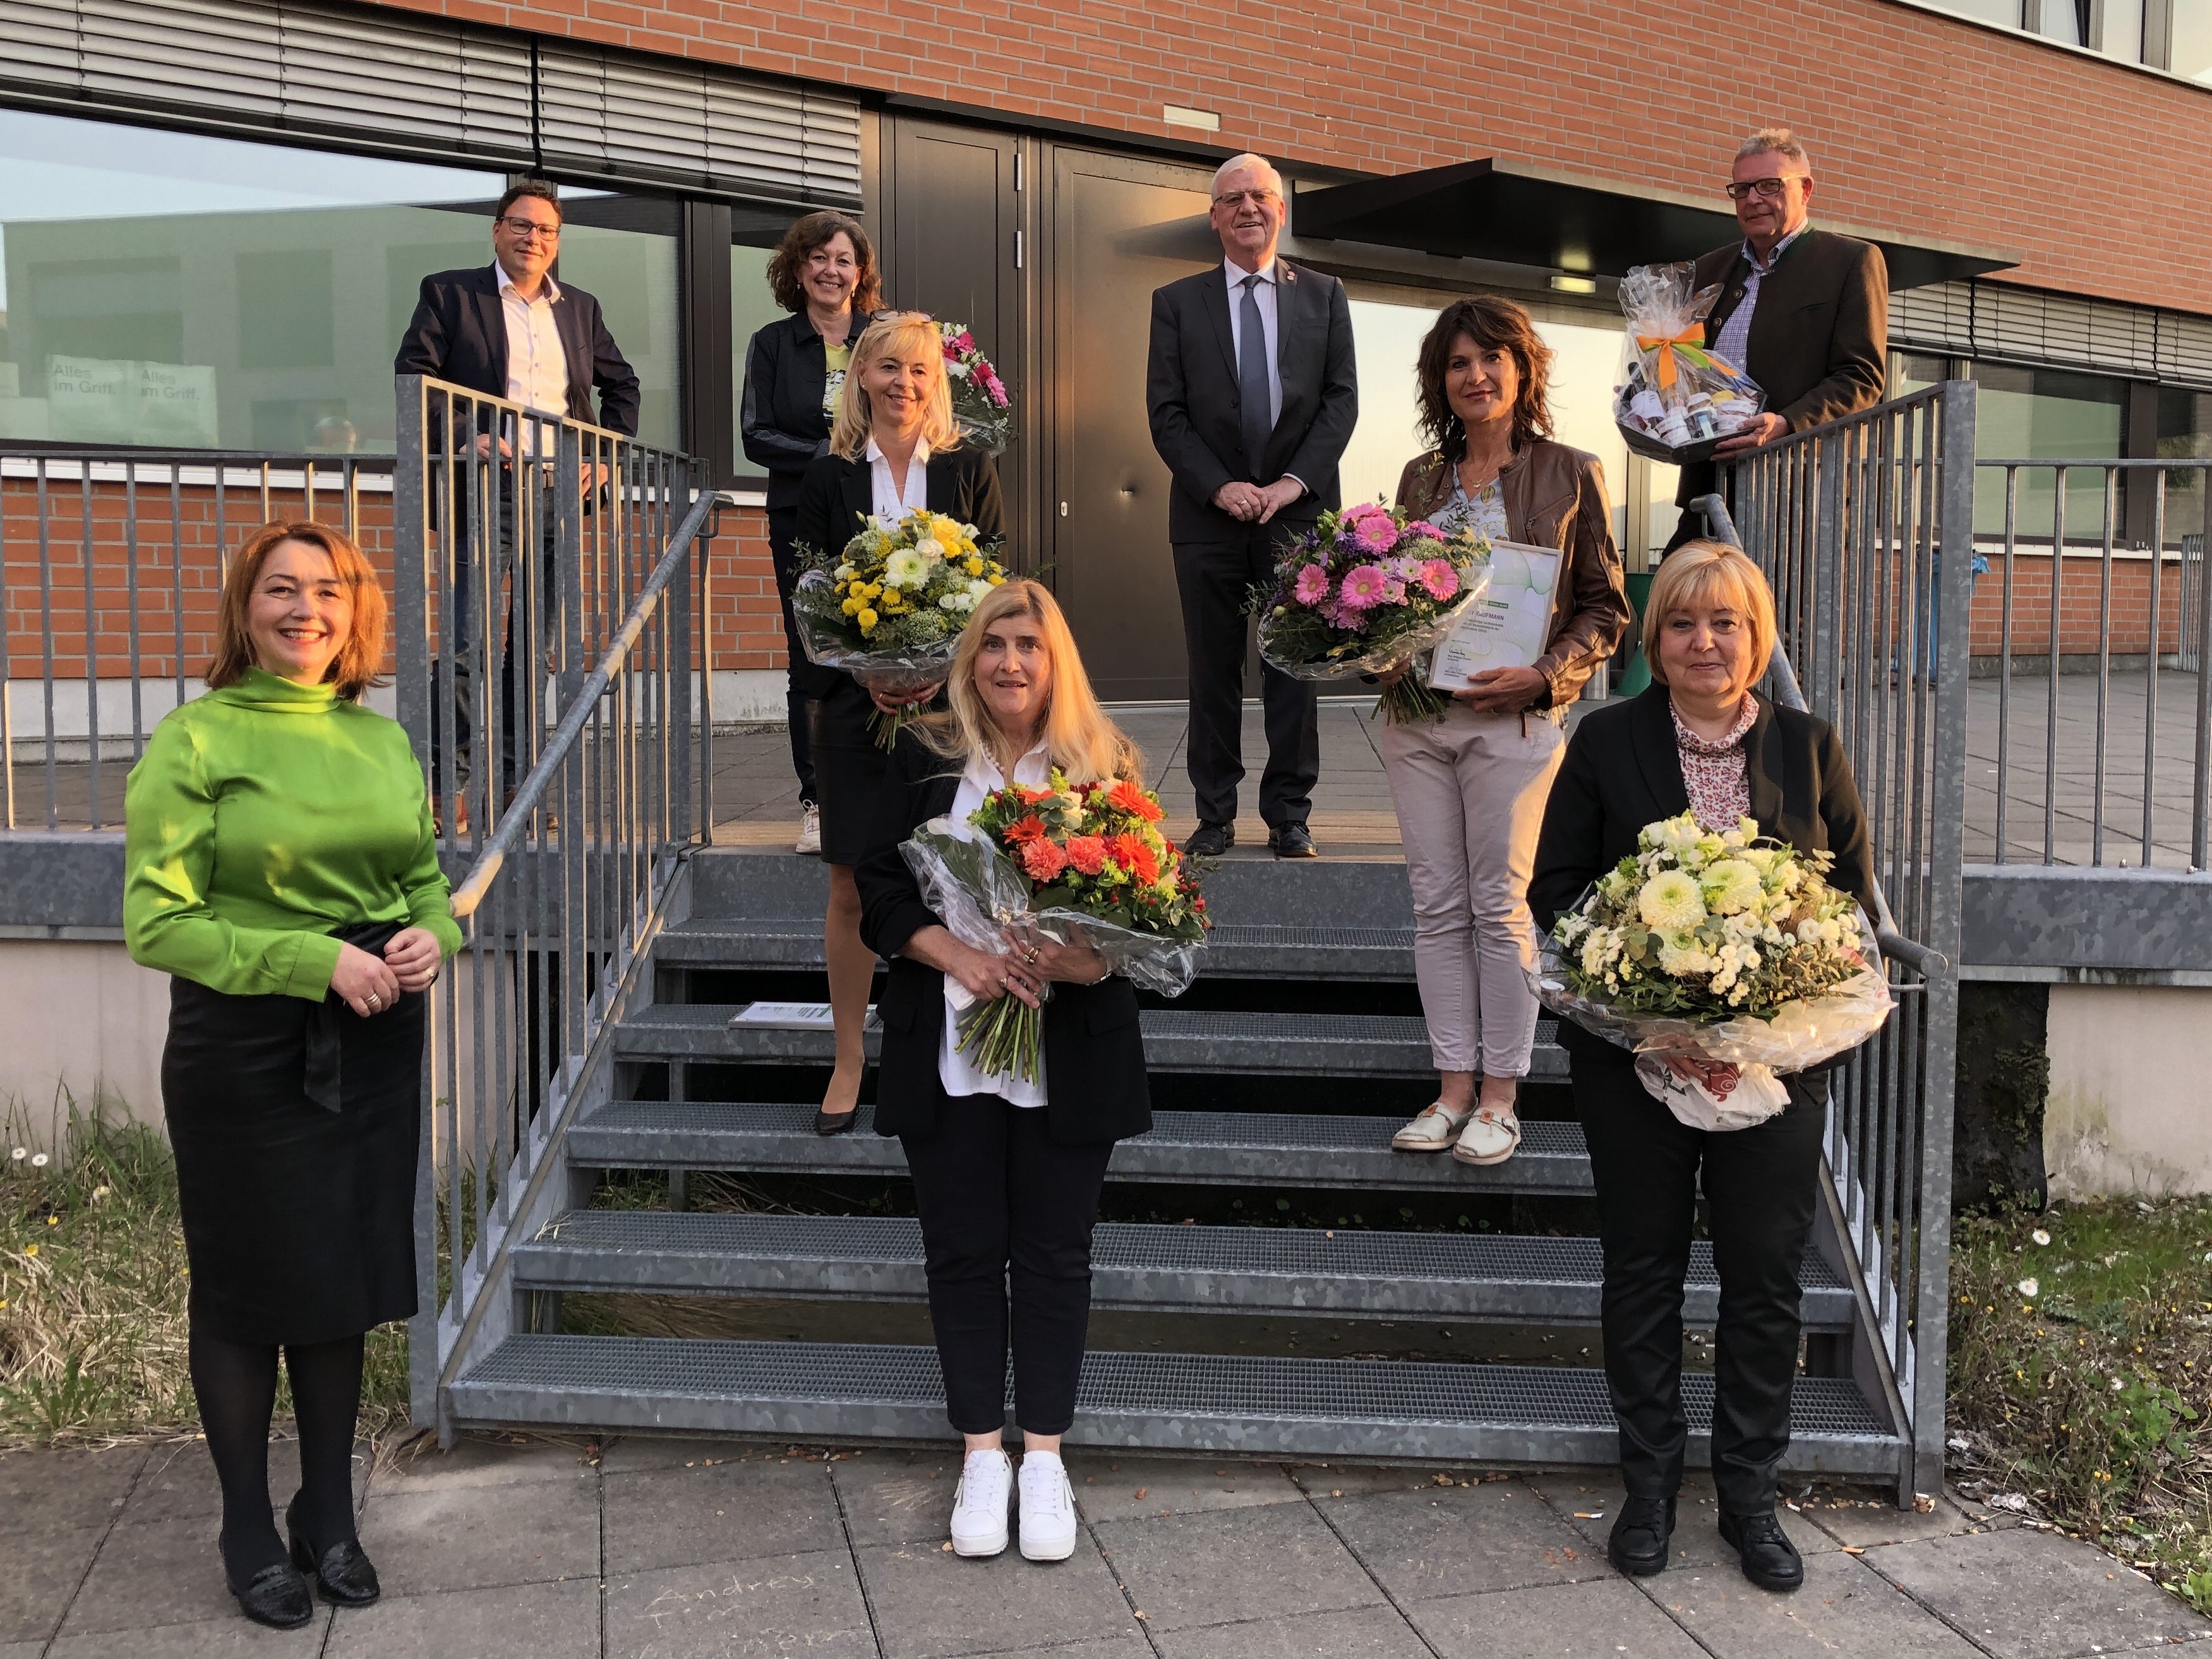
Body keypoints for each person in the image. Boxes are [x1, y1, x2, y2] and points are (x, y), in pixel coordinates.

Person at [123, 522, 464, 1628]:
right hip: (244, 1045)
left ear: (352, 613)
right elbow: (156, 921)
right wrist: (313, 958)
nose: (305, 609)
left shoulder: (379, 740)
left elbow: (420, 875)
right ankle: (244, 1523)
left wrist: (428, 938)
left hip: (370, 1037)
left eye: (327, 590)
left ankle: (329, 1512)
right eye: (281, 589)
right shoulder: (194, 737)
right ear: (246, 607)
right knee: (244, 1285)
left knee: (339, 1277)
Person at [1529, 541, 1875, 1595]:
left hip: (1773, 1073)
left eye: (1725, 622)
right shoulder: (1603, 741)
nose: (1704, 642)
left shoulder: (1808, 747)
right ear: (1656, 637)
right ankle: (1647, 1485)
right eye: (1681, 622)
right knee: (1642, 1270)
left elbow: (1847, 905)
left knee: (1763, 1280)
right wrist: (1645, 1010)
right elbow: (1558, 889)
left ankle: (1749, 1497)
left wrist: (1774, 1009)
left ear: (1755, 636)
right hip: (1635, 1061)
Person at [855, 578, 1151, 1563]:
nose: (1010, 662)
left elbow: (1148, 918)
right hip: (947, 1039)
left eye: (1028, 644)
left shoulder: (1103, 763)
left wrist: (1085, 956)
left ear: (1054, 659)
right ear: (968, 658)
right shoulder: (920, 758)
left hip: (1067, 1049)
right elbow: (881, 898)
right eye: (993, 644)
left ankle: (1046, 1455)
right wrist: (963, 956)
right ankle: (982, 1449)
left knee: (1057, 1252)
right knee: (963, 1250)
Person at [1382, 297, 1631, 1167]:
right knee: (1434, 905)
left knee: (1497, 903)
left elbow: (1605, 606)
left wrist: (1546, 673)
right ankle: (1450, 1090)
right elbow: (1395, 597)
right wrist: (1376, 646)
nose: (1474, 376)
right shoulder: (1419, 479)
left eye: (1491, 358)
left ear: (1522, 370)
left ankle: (1499, 1097)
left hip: (1514, 720)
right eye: (1457, 363)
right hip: (1418, 719)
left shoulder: (1569, 470)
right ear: (1438, 380)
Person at [795, 311, 1004, 1134]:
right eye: (887, 368)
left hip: (951, 711)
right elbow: (809, 595)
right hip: (855, 710)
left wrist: (937, 670)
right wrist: (869, 670)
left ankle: (946, 1041)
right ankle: (848, 1056)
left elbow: (993, 584)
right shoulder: (826, 478)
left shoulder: (968, 468)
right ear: (861, 378)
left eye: (918, 371)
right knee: (850, 881)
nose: (903, 384)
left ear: (935, 382)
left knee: (947, 874)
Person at [393, 179, 642, 822]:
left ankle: (515, 791)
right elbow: (414, 379)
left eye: (547, 230)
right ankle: (447, 790)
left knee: (533, 650)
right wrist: (463, 430)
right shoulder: (450, 293)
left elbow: (622, 387)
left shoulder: (579, 308)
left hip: (559, 491)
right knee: (465, 641)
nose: (534, 239)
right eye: (522, 226)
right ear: (498, 231)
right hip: (484, 486)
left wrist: (603, 454)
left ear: (558, 242)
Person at [1146, 152, 1357, 859]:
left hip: (1295, 515)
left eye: (1260, 196)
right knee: (1211, 672)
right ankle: (1213, 814)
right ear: (1213, 217)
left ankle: (1289, 815)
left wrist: (1288, 484)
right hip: (1207, 517)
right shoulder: (1176, 302)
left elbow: (1339, 403)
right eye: (1232, 198)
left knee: (1293, 671)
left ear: (1280, 209)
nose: (1247, 208)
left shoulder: (1324, 295)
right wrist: (1219, 485)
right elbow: (1166, 412)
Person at [1665, 128, 1889, 553]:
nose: (1753, 199)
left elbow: (1861, 376)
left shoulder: (1850, 262)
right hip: (1707, 490)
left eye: (1770, 185)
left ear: (1805, 189)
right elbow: (1681, 361)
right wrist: (1651, 396)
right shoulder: (1709, 269)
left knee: (1781, 618)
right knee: (1683, 610)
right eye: (1742, 188)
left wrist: (1785, 423)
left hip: (1794, 495)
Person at [740, 211, 883, 855]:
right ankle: (818, 800)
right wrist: (832, 451)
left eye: (844, 259)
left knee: (889, 644)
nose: (832, 270)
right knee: (814, 656)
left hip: (882, 511)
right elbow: (755, 434)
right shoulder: (773, 343)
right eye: (819, 258)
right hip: (801, 516)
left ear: (861, 273)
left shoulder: (883, 337)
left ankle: (887, 786)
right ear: (798, 269)